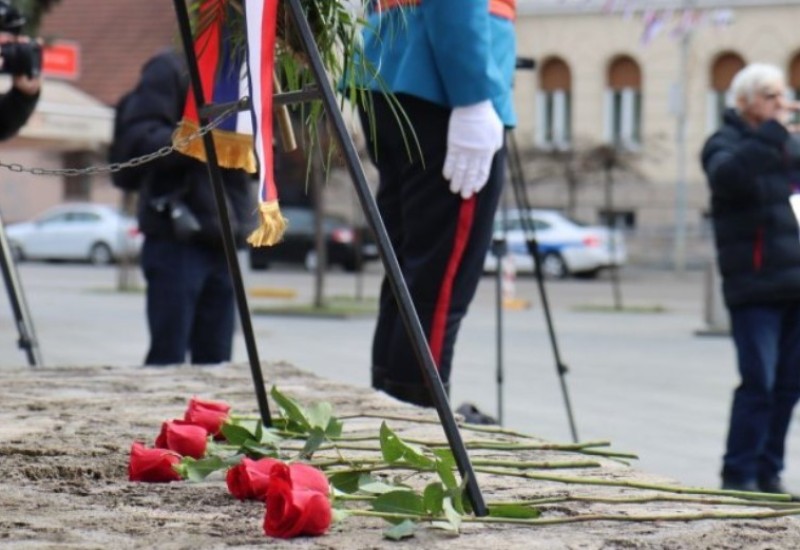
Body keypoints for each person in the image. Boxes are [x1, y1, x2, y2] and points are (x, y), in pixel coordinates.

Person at [353, 0, 516, 407]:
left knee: (408, 277)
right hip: (443, 79)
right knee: (437, 287)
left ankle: (387, 413)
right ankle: (417, 428)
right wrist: (473, 93)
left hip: (398, 66)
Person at [117, 48, 256, 366]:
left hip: (224, 240)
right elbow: (138, 141)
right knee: (168, 361)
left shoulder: (240, 74)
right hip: (177, 236)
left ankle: (207, 417)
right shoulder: (170, 69)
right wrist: (203, 137)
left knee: (218, 362)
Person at [701, 62, 800, 497]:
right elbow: (729, 178)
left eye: (784, 95)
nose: (782, 104)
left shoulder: (788, 146)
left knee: (789, 384)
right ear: (743, 102)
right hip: (755, 287)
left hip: (795, 284)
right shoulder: (724, 143)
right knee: (758, 381)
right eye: (770, 96)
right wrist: (775, 135)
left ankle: (768, 471)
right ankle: (737, 473)